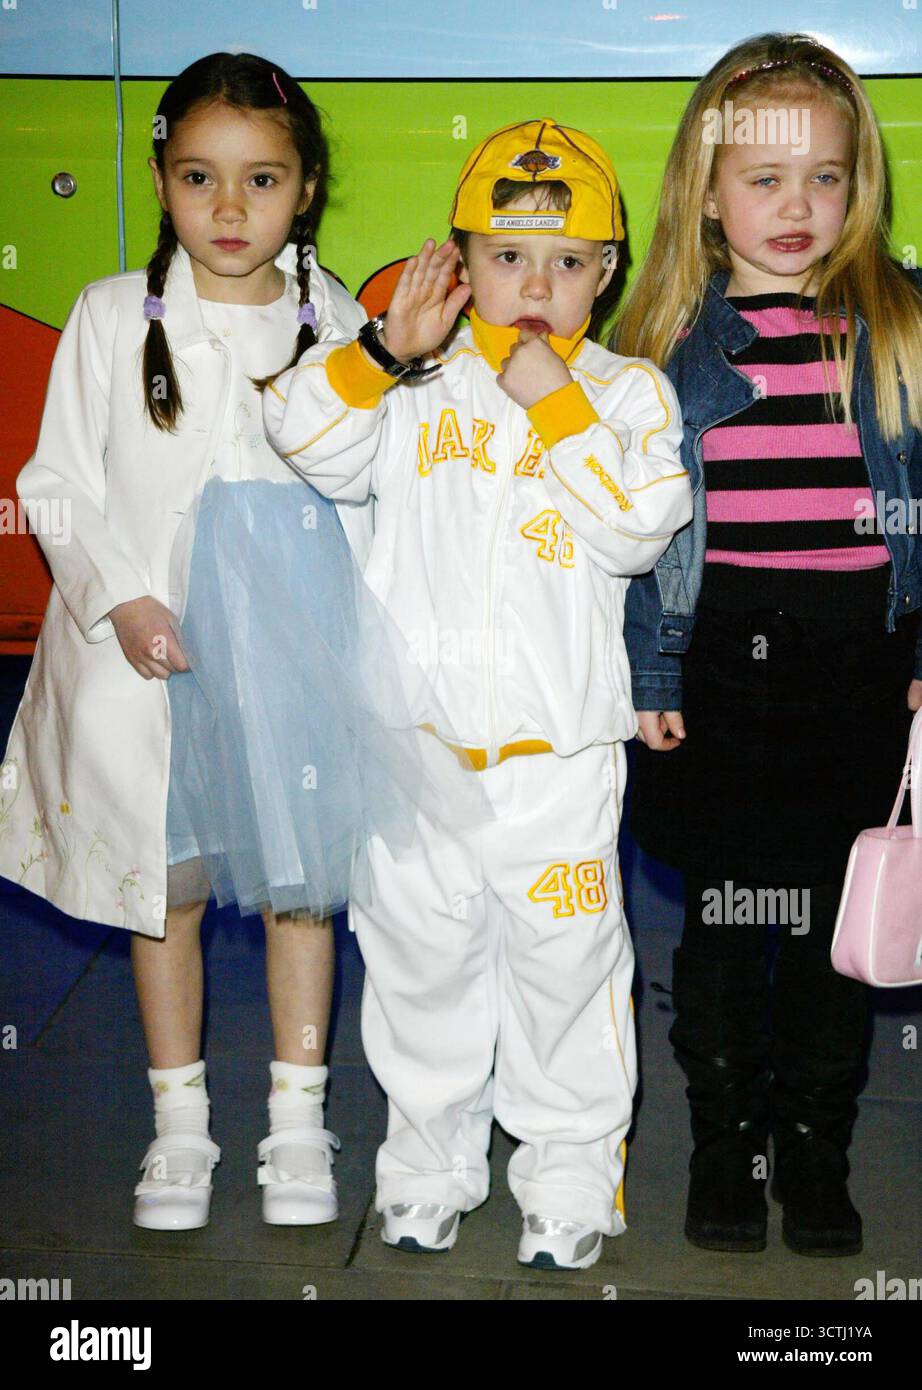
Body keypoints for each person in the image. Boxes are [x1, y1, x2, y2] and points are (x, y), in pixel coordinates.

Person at [0, 52, 438, 1233]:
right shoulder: (105, 315)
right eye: (200, 177)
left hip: (292, 663)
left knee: (305, 891)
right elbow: (55, 485)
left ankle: (300, 1118)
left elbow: (373, 475)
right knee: (168, 891)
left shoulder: (333, 312)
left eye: (262, 180)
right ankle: (179, 1122)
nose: (230, 209)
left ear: (306, 190)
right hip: (160, 658)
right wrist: (120, 596)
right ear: (160, 179)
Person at [262, 117, 693, 1270]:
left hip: (557, 765)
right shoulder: (411, 376)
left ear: (607, 274)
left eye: (567, 261)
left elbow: (641, 524)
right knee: (419, 971)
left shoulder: (628, 395)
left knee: (566, 973)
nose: (535, 283)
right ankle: (426, 1164)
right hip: (417, 759)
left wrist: (557, 399)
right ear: (457, 261)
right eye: (505, 256)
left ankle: (566, 1177)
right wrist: (379, 347)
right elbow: (298, 432)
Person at [615, 32, 922, 1257]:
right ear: (703, 186)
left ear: (859, 185)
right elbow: (634, 539)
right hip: (716, 677)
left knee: (832, 939)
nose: (796, 208)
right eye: (763, 178)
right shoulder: (667, 349)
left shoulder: (896, 326)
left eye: (826, 178)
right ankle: (727, 1144)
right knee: (732, 929)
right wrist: (647, 675)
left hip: (862, 676)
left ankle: (815, 1148)